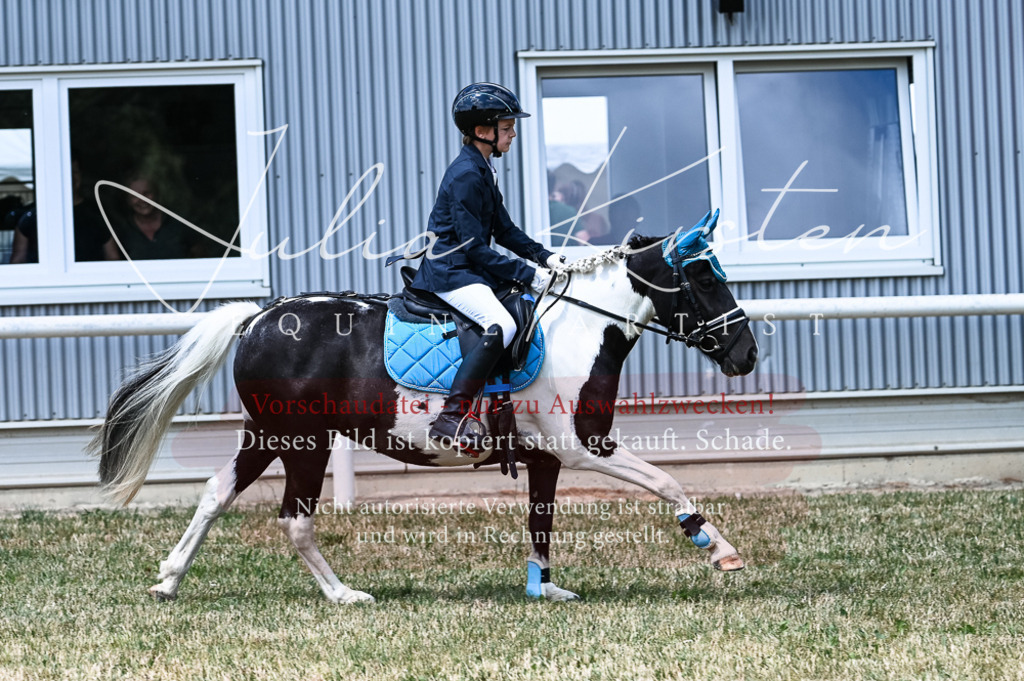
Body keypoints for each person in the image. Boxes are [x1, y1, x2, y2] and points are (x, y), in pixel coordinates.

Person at [411, 82, 564, 453]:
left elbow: (503, 230)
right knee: (503, 324)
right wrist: (527, 274)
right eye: (508, 128)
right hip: (451, 271)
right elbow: (474, 247)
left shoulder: (483, 168)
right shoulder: (466, 175)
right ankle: (452, 415)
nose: (513, 134)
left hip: (469, 268)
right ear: (483, 131)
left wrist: (543, 256)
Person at [116, 173, 194, 260]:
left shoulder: (179, 223)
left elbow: (201, 258)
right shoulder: (122, 231)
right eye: (135, 196)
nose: (142, 199)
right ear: (128, 201)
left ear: (156, 194)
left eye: (146, 193)